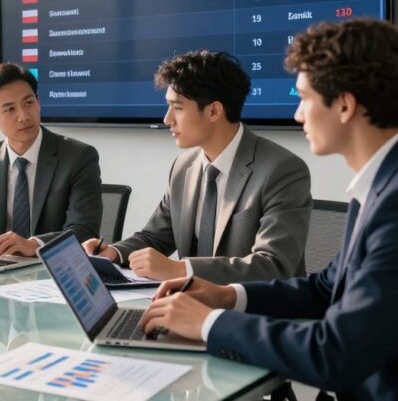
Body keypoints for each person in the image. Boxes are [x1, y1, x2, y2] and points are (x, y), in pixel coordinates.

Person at [138, 19, 398, 400]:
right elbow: (327, 288)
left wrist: (210, 323)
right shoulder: (392, 182)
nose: (297, 114)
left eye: (304, 97)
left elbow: (336, 352)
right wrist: (227, 296)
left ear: (344, 104)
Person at [82, 51, 312, 283]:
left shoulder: (282, 170)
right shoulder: (183, 167)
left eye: (177, 108)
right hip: (191, 306)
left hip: (253, 311)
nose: (167, 119)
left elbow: (273, 265)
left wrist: (180, 270)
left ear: (214, 111)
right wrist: (114, 252)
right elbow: (155, 236)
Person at [0, 63, 102, 257]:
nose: (24, 116)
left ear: (38, 101)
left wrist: (34, 245)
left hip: (52, 272)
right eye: (9, 109)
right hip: (0, 270)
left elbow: (84, 230)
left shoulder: (78, 156)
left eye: (29, 102)